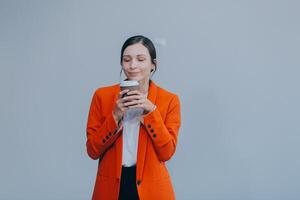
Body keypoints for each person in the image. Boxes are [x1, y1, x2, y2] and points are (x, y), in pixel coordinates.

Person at [86, 35, 181, 200]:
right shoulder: (102, 96)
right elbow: (92, 150)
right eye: (127, 59)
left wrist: (151, 112)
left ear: (153, 65)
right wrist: (115, 116)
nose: (133, 65)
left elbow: (167, 152)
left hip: (153, 190)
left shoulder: (169, 100)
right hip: (111, 188)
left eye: (141, 59)